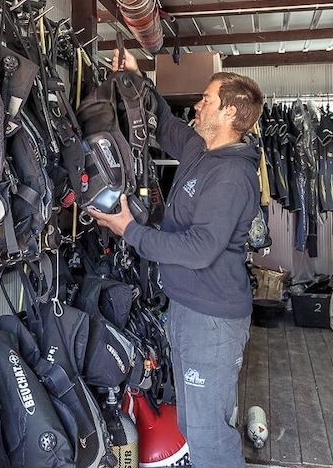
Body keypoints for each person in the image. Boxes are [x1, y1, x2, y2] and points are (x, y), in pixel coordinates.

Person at [88, 52, 263, 468]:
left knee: (209, 434)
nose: (198, 105)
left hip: (212, 320)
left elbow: (200, 249)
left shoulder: (231, 176)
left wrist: (129, 230)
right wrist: (138, 79)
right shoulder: (201, 148)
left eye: (206, 99)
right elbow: (165, 124)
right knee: (193, 422)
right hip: (186, 308)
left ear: (230, 112)